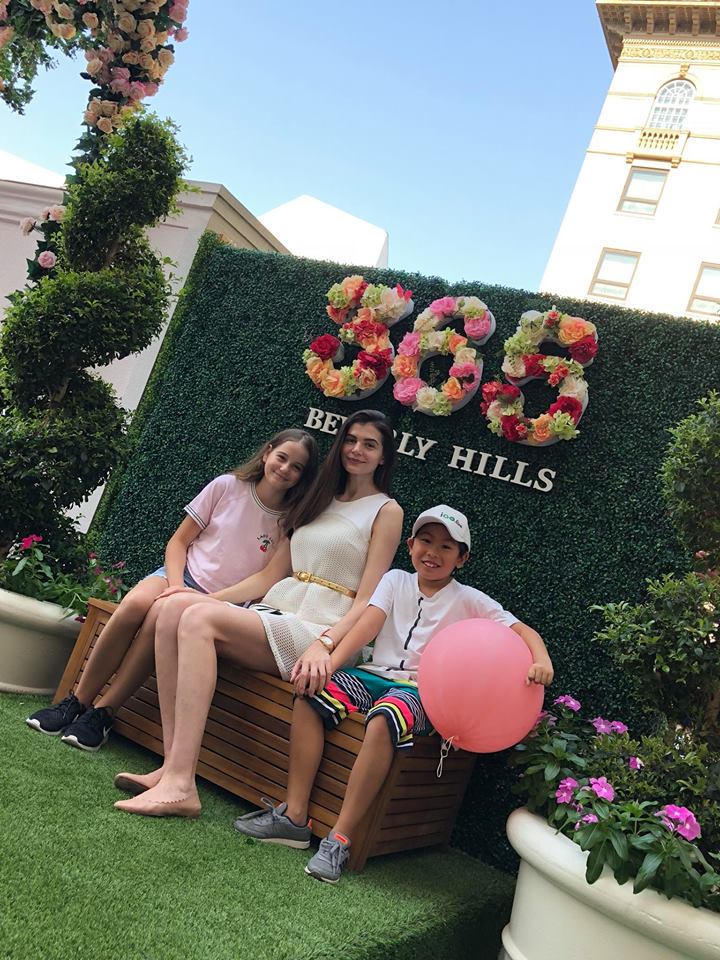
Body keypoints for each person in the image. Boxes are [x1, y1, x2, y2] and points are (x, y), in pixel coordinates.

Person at [233, 504, 554, 883]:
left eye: (446, 547)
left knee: (387, 716)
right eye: (426, 541)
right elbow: (367, 625)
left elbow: (522, 631)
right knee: (310, 694)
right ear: (410, 545)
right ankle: (294, 817)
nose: (433, 552)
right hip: (372, 676)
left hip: (421, 693)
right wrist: (329, 663)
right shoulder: (395, 580)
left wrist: (541, 659)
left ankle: (339, 839)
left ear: (461, 558)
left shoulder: (470, 600)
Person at [113, 409, 404, 817]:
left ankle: (180, 782)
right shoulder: (318, 498)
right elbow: (269, 576)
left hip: (321, 629)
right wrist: (200, 598)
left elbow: (367, 600)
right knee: (174, 607)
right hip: (279, 610)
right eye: (351, 440)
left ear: (384, 456)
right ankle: (171, 769)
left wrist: (325, 645)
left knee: (196, 619)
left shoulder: (386, 511)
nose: (357, 450)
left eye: (369, 444)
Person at [25, 428, 319, 751]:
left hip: (221, 603)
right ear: (267, 453)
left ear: (303, 477)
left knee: (160, 614)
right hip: (180, 576)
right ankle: (76, 701)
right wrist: (177, 586)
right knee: (136, 603)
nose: (285, 469)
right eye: (282, 457)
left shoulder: (290, 522)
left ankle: (103, 713)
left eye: (297, 467)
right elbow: (178, 542)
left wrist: (205, 600)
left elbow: (265, 580)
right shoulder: (226, 487)